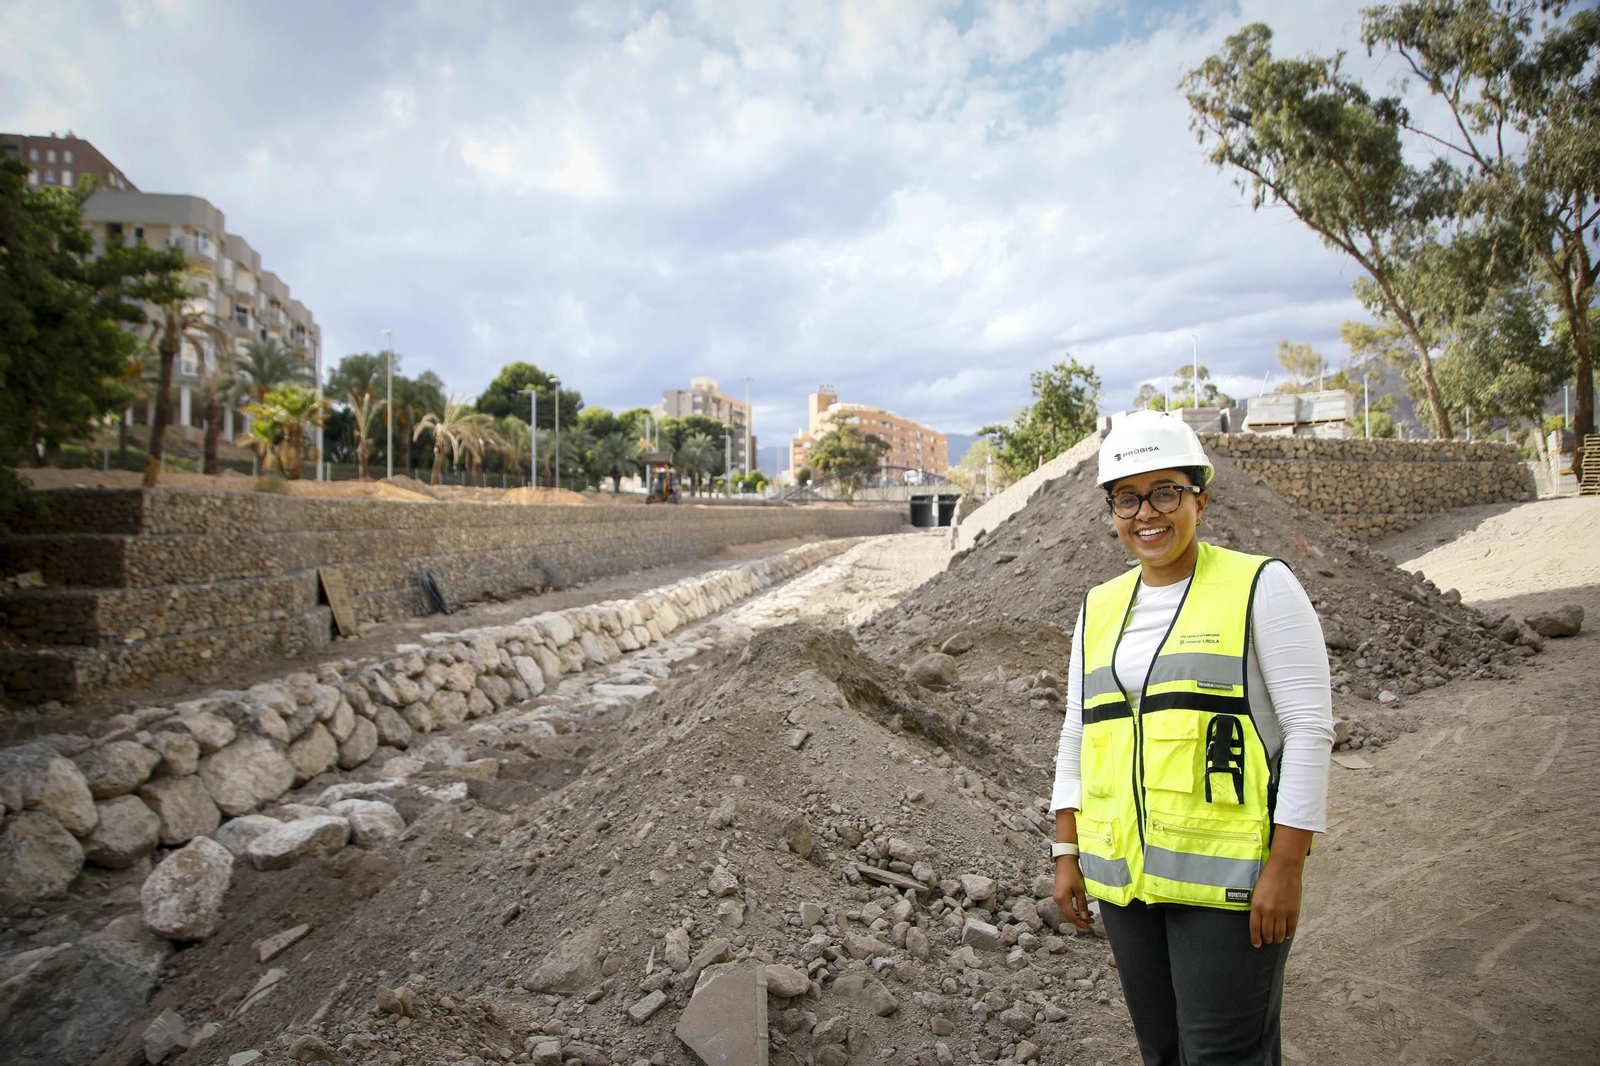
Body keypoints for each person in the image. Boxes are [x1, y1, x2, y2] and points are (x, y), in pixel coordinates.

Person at [1050, 410, 1334, 1066]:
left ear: (1199, 498)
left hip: (1231, 886)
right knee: (1164, 1053)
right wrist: (1068, 848)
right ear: (1112, 509)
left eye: (1165, 492)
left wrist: (1286, 868)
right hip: (1126, 882)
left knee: (1223, 1056)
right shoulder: (1098, 607)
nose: (1146, 513)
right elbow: (1077, 731)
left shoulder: (1261, 587)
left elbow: (1310, 730)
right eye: (1127, 497)